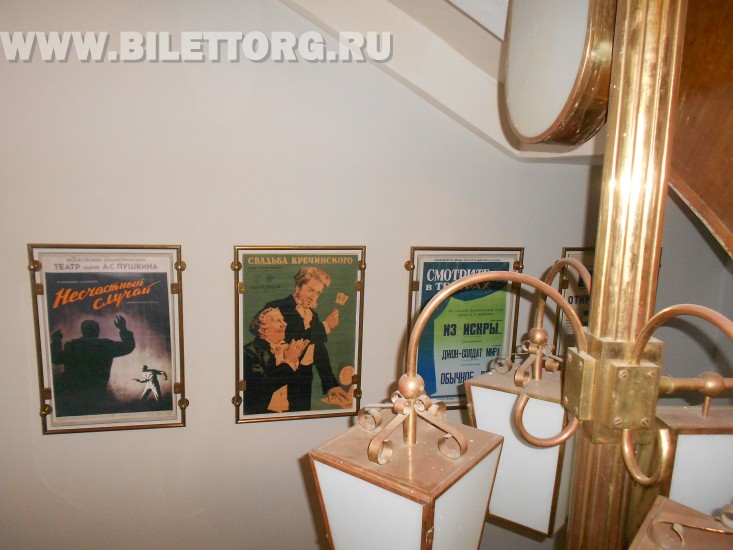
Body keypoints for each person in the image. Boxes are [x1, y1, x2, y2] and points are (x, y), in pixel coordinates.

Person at [264, 267, 349, 411]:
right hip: (281, 377)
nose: (313, 297)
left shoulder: (313, 316)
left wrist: (331, 385)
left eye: (318, 293)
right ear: (298, 287)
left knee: (302, 417)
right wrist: (325, 326)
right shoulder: (277, 308)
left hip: (305, 379)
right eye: (310, 290)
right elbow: (293, 340)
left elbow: (319, 351)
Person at [50, 315, 135, 415]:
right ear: (97, 331)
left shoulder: (73, 346)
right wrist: (123, 328)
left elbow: (56, 359)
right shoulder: (106, 346)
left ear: (83, 331)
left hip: (73, 394)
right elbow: (128, 346)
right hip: (97, 392)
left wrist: (56, 341)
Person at [243, 307, 310, 414]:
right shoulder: (249, 352)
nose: (285, 324)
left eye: (283, 320)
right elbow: (261, 386)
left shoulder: (290, 348)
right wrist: (289, 361)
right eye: (278, 321)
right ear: (262, 328)